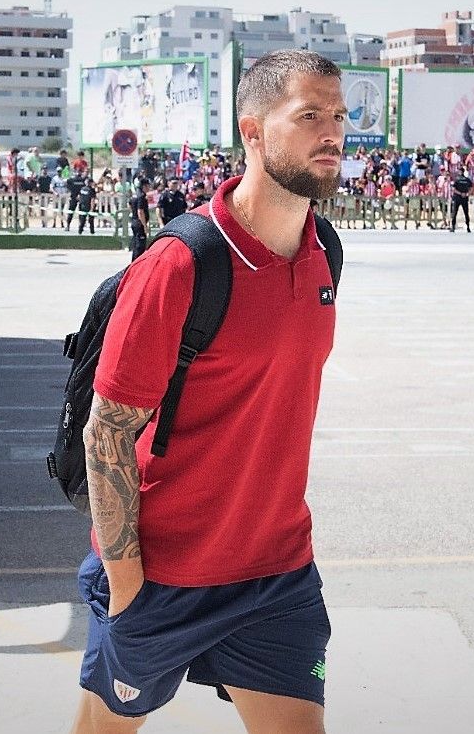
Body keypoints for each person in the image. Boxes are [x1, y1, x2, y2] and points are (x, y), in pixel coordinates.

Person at [70, 50, 342, 734]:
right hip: (161, 580)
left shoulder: (324, 252)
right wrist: (129, 588)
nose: (333, 132)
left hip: (277, 579)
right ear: (252, 131)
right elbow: (106, 433)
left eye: (338, 116)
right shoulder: (180, 263)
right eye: (309, 115)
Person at [128, 179, 152, 261]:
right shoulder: (142, 196)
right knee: (140, 247)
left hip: (134, 221)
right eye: (148, 186)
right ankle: (136, 264)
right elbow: (140, 211)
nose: (149, 188)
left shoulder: (135, 195)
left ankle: (133, 263)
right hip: (139, 224)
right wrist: (145, 226)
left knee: (136, 244)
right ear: (144, 186)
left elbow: (130, 204)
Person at [449, 167, 473, 232]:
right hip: (464, 197)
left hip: (457, 197)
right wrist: (467, 194)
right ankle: (468, 227)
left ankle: (453, 227)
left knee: (455, 212)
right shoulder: (467, 179)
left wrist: (460, 193)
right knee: (466, 213)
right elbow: (471, 188)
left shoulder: (456, 179)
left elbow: (453, 189)